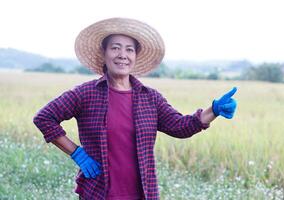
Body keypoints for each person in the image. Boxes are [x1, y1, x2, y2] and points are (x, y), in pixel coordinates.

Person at [33, 17, 237, 200]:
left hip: (143, 193)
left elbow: (180, 126)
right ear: (104, 53)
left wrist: (214, 110)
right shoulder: (86, 94)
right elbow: (44, 118)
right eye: (115, 48)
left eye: (129, 49)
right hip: (98, 193)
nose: (122, 55)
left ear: (135, 56)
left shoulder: (150, 98)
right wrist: (77, 153)